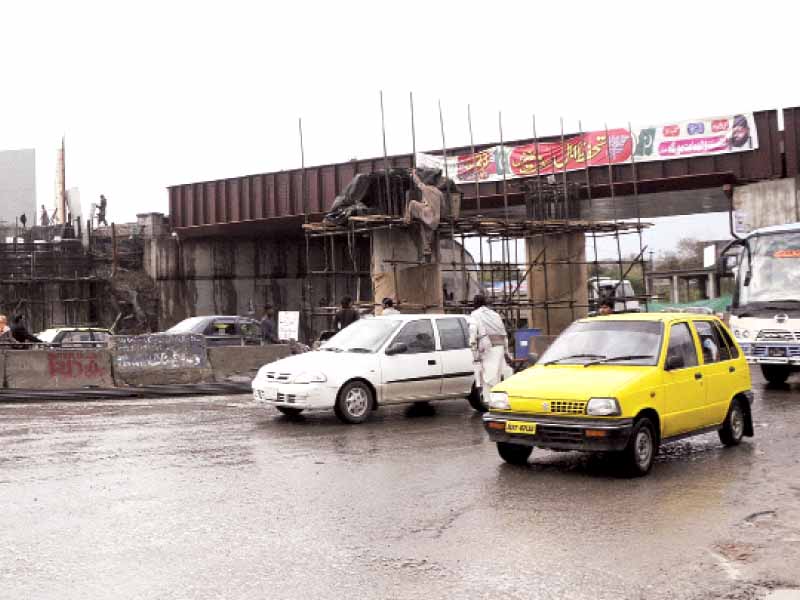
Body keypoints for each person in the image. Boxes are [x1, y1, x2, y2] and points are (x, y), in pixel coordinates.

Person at [468, 294, 510, 408]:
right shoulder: (495, 314)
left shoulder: (475, 315)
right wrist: (507, 352)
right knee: (498, 375)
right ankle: (500, 400)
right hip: (500, 348)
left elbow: (472, 332)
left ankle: (491, 402)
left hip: (488, 349)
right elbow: (504, 333)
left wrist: (474, 351)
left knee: (488, 377)